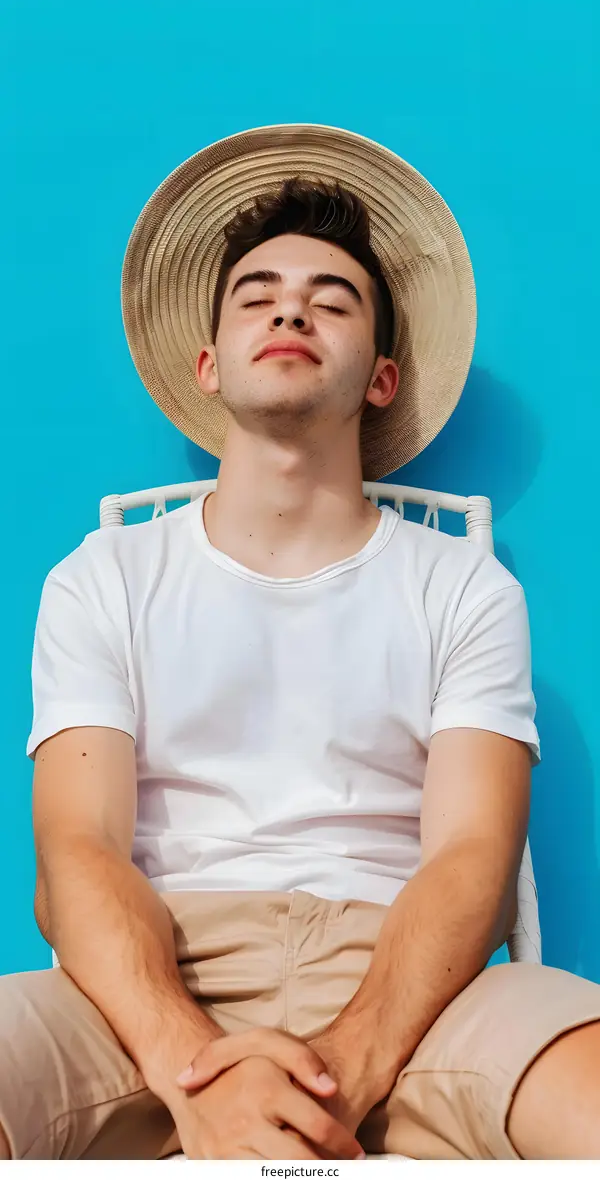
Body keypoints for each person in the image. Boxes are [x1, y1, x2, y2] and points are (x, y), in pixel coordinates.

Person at [3, 124, 600, 1161]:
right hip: (146, 981)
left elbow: (475, 859)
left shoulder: (463, 584)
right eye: (257, 295)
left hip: (411, 985)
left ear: (378, 376)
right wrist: (199, 1072)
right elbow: (77, 858)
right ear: (210, 365)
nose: (290, 308)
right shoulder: (102, 578)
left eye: (333, 301)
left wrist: (344, 1067)